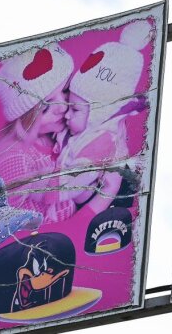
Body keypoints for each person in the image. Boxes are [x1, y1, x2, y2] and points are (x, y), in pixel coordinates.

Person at [56, 19, 153, 216]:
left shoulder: (101, 141)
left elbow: (73, 187)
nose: (67, 114)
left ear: (98, 113)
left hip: (92, 207)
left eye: (75, 110)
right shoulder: (86, 133)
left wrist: (46, 194)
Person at [0, 44, 75, 224]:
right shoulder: (15, 157)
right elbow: (12, 214)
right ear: (24, 118)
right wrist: (59, 210)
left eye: (65, 90)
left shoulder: (58, 134)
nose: (62, 107)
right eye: (45, 106)